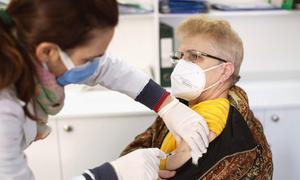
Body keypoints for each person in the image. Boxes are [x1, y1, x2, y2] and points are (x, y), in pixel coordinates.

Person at [0, 0, 211, 180]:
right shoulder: (4, 109)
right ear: (48, 51)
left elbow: (107, 68)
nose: (98, 63)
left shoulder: (25, 44)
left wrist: (167, 104)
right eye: (88, 59)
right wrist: (110, 174)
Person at [120, 16, 273, 179]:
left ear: (225, 71)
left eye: (195, 56)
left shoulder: (218, 115)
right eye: (180, 56)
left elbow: (181, 161)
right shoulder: (182, 104)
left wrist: (149, 168)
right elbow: (137, 149)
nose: (182, 65)